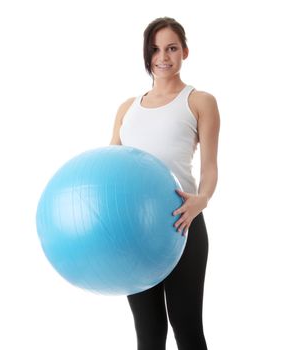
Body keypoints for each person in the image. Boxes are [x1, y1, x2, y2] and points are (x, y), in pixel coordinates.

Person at [109, 16, 220, 350]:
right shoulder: (127, 108)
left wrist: (202, 200)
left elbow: (210, 167)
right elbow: (111, 166)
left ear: (184, 51)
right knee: (149, 331)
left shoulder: (200, 101)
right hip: (134, 231)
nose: (163, 57)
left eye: (172, 48)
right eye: (155, 49)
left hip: (181, 224)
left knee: (186, 327)